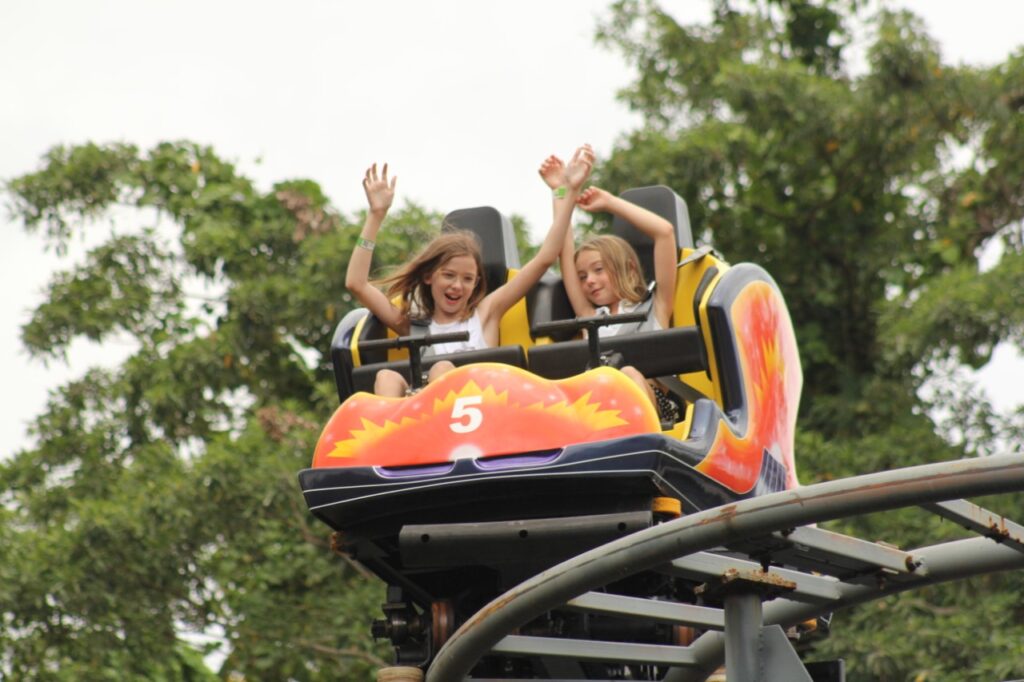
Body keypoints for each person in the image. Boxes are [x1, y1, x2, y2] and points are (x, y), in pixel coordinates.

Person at [346, 145, 594, 397]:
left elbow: (545, 258)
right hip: (429, 421)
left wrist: (568, 191)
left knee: (441, 369)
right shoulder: (415, 326)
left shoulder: (485, 314)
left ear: (476, 284)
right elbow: (356, 284)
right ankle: (394, 435)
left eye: (467, 279)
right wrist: (375, 216)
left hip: (482, 413)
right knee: (386, 376)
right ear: (429, 276)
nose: (457, 286)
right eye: (449, 275)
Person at [538, 155, 679, 419]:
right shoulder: (591, 318)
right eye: (582, 276)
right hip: (599, 412)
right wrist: (562, 190)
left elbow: (665, 233)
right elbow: (563, 248)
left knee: (626, 375)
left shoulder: (655, 306)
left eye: (598, 270)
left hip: (650, 410)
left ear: (628, 268)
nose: (588, 280)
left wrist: (610, 203)